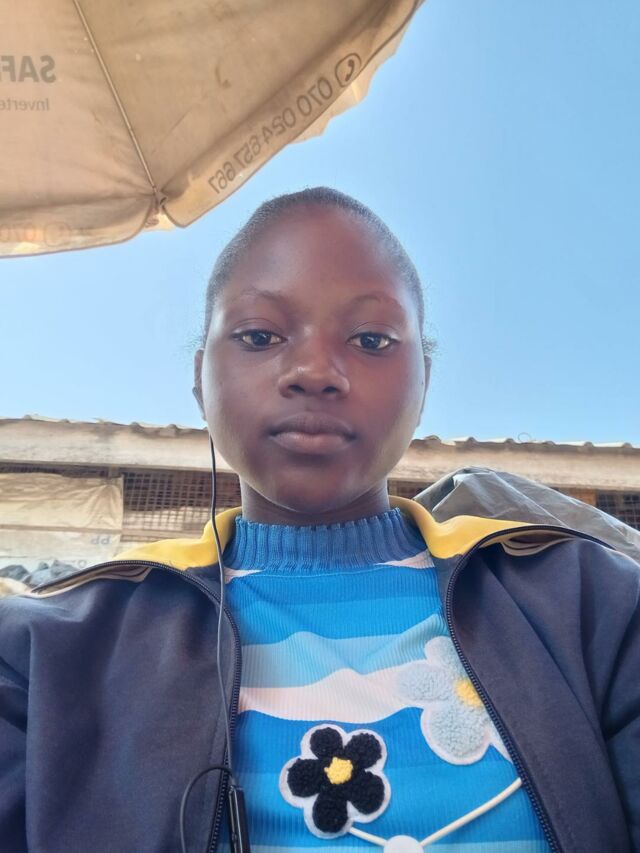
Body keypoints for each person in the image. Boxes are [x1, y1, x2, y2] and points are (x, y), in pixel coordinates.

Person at [0, 188, 638, 853]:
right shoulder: (44, 654)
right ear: (200, 378)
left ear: (423, 382)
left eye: (370, 339)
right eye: (260, 336)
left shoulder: (590, 602)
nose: (313, 371)